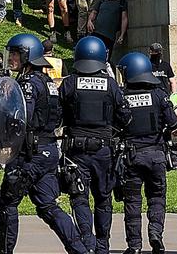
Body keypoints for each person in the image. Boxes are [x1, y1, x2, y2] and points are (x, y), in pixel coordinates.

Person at [0, 33, 89, 254]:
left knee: (7, 203)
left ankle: (4, 251)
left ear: (28, 56)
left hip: (29, 153)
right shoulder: (47, 82)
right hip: (47, 151)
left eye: (16, 54)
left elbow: (22, 118)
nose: (12, 59)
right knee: (48, 206)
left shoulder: (28, 84)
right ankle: (80, 250)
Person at [58, 35, 131, 254]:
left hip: (76, 151)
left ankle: (87, 243)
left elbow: (58, 115)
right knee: (103, 199)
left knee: (79, 198)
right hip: (104, 150)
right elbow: (125, 116)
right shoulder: (110, 84)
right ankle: (103, 245)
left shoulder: (69, 82)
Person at [116, 51, 177, 254]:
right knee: (157, 197)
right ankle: (156, 234)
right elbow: (174, 122)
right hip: (156, 155)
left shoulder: (122, 97)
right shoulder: (159, 95)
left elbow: (114, 125)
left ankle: (134, 245)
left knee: (132, 202)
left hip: (131, 156)